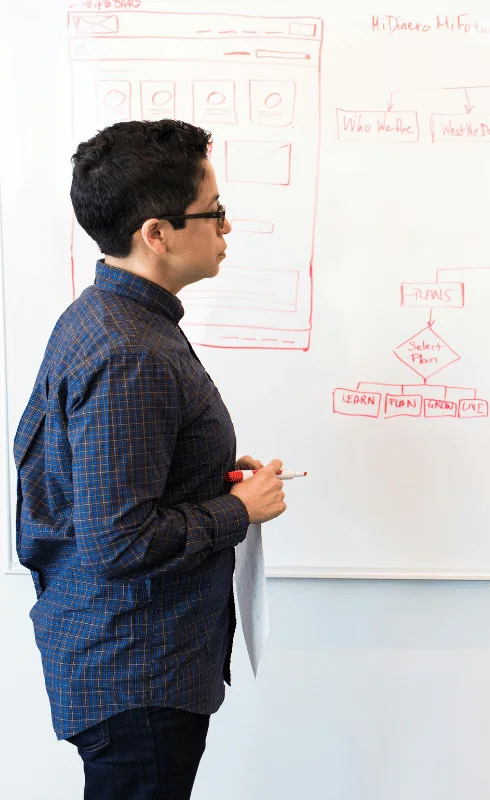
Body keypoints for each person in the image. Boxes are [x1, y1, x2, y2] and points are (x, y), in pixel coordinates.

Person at [13, 119, 289, 800]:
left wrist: (209, 480)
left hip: (128, 660)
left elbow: (109, 489)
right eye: (213, 212)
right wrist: (237, 510)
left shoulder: (113, 318)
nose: (226, 226)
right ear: (157, 234)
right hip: (136, 670)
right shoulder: (129, 352)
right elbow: (120, 539)